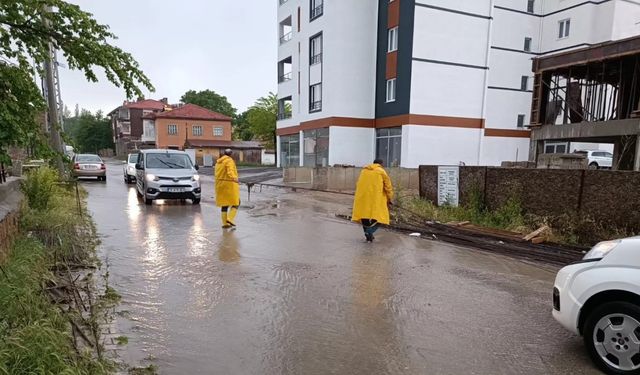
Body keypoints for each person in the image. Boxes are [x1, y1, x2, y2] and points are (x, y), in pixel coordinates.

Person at [351, 159, 394, 242]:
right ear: (381, 164)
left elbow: (358, 183)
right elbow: (388, 186)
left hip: (363, 197)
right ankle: (369, 231)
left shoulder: (364, 171)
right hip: (376, 198)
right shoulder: (381, 171)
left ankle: (368, 235)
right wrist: (390, 198)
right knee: (381, 216)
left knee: (364, 215)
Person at [215, 149, 240, 228]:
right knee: (237, 202)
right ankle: (230, 218)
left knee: (224, 204)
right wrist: (234, 178)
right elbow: (230, 172)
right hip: (229, 184)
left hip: (220, 185)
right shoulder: (229, 161)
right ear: (231, 154)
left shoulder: (218, 162)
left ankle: (225, 224)